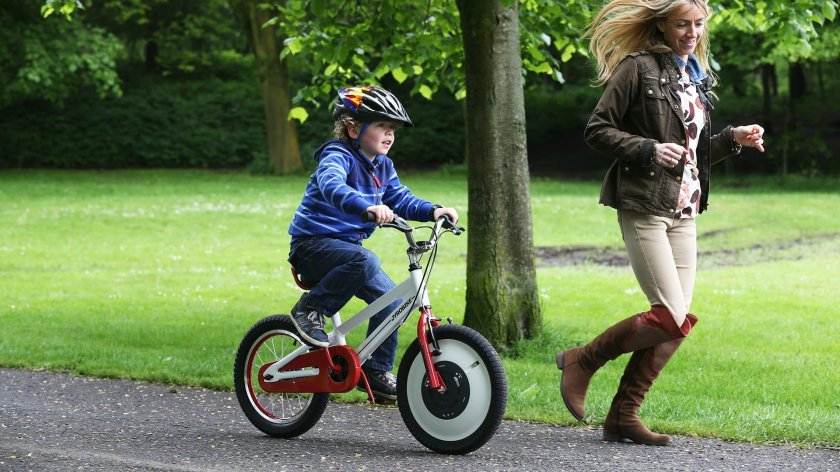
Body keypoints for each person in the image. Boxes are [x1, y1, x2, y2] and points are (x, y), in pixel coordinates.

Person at [555, 0, 766, 445]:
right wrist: (647, 148)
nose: (691, 32)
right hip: (644, 206)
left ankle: (622, 416)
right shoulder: (637, 68)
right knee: (669, 316)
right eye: (682, 24)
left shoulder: (696, 77)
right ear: (663, 25)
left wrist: (732, 139)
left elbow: (693, 152)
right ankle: (583, 360)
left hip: (684, 211)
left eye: (698, 24)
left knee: (678, 321)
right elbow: (597, 129)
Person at [287, 85, 459, 404]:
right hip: (312, 246)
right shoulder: (336, 155)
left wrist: (434, 210)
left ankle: (375, 371)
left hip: (347, 253)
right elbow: (332, 186)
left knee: (394, 303)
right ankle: (310, 309)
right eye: (381, 125)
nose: (389, 134)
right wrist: (365, 207)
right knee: (365, 260)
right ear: (354, 128)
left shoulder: (383, 166)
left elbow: (400, 198)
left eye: (392, 129)